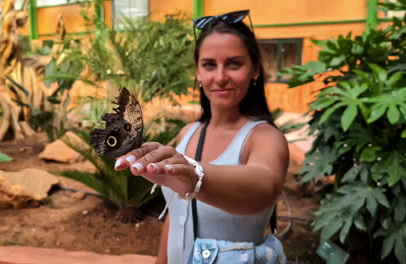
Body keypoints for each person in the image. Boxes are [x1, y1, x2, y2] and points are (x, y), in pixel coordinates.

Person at [114, 10, 289, 264]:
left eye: (234, 64)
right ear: (197, 72)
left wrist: (195, 176)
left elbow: (264, 187)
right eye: (209, 65)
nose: (220, 77)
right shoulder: (188, 133)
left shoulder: (264, 138)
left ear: (255, 71)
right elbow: (177, 216)